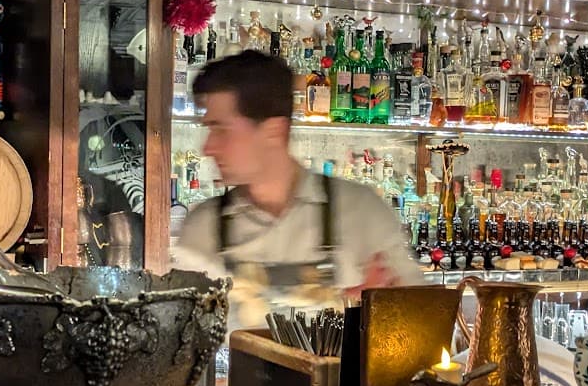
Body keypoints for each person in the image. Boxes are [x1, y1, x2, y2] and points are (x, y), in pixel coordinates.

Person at [173, 49, 423, 329]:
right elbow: (178, 345)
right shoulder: (202, 229)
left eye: (220, 129)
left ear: (273, 131)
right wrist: (349, 305)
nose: (207, 147)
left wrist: (382, 313)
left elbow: (417, 327)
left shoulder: (362, 213)